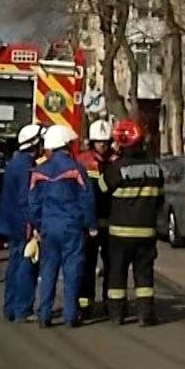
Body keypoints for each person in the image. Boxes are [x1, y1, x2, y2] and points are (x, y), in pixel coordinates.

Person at [26, 124, 95, 328]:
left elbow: (33, 203)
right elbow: (87, 199)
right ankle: (70, 315)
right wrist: (91, 224)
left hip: (49, 226)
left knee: (48, 271)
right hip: (72, 227)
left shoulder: (39, 171)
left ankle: (44, 315)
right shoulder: (76, 169)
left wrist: (39, 225)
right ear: (66, 144)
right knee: (72, 271)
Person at [100, 119, 163, 326]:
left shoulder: (116, 168)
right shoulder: (155, 168)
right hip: (146, 231)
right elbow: (160, 198)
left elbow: (101, 190)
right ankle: (146, 314)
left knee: (117, 273)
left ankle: (117, 314)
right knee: (144, 275)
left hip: (120, 233)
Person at [0, 125, 43, 322]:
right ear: (34, 144)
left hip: (12, 223)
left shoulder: (16, 162)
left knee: (15, 264)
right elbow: (27, 199)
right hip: (22, 225)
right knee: (26, 266)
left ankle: (11, 308)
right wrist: (34, 224)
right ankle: (22, 309)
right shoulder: (26, 166)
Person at [76, 118, 115, 315]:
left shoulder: (115, 161)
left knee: (112, 265)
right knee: (87, 264)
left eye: (106, 142)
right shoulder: (82, 161)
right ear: (92, 142)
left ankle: (111, 302)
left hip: (111, 222)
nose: (103, 145)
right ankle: (85, 303)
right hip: (88, 224)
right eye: (99, 142)